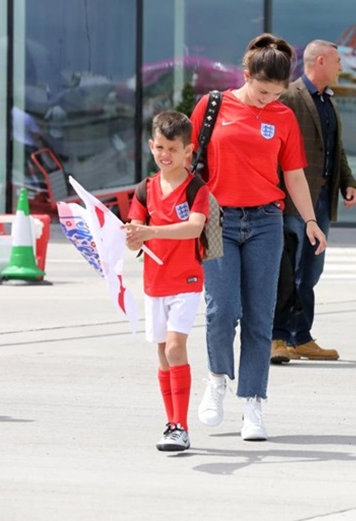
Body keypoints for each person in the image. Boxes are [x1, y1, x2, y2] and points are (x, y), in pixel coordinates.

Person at [191, 34, 327, 441]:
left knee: (259, 315)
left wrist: (309, 220)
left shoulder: (282, 117)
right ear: (245, 74)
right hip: (216, 220)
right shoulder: (212, 106)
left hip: (267, 222)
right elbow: (186, 160)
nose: (269, 99)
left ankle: (253, 403)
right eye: (262, 91)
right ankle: (217, 379)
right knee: (221, 309)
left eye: (277, 93)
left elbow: (294, 174)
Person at [270, 39, 356, 365]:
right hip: (295, 200)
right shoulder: (290, 97)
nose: (341, 68)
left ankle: (301, 337)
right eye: (337, 61)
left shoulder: (326, 100)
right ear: (320, 61)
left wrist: (347, 182)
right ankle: (277, 337)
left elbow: (335, 149)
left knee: (310, 272)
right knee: (287, 271)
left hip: (321, 198)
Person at [124, 111, 209, 451]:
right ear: (151, 145)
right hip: (155, 282)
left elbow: (195, 227)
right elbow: (134, 230)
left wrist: (150, 231)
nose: (165, 155)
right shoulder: (145, 189)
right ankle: (171, 422)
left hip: (187, 279)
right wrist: (132, 236)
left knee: (175, 346)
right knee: (162, 352)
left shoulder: (196, 188)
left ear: (188, 151)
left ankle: (182, 426)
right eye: (159, 147)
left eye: (172, 149)